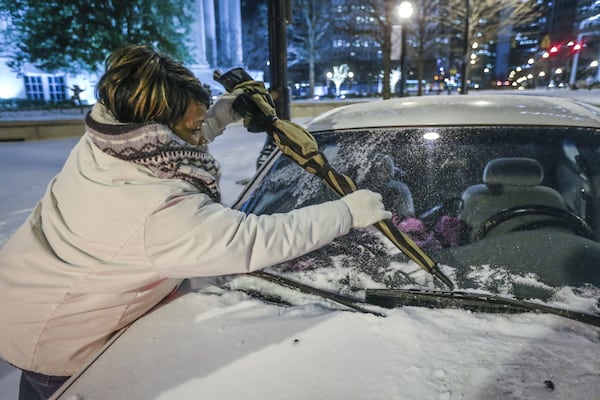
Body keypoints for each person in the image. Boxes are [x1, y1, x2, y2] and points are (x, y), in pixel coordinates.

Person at [0, 45, 390, 400]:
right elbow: (254, 239)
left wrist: (222, 113)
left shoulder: (105, 140)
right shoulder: (160, 210)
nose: (199, 137)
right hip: (60, 337)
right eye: (192, 127)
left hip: (22, 306)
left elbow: (176, 143)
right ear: (156, 129)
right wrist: (347, 212)